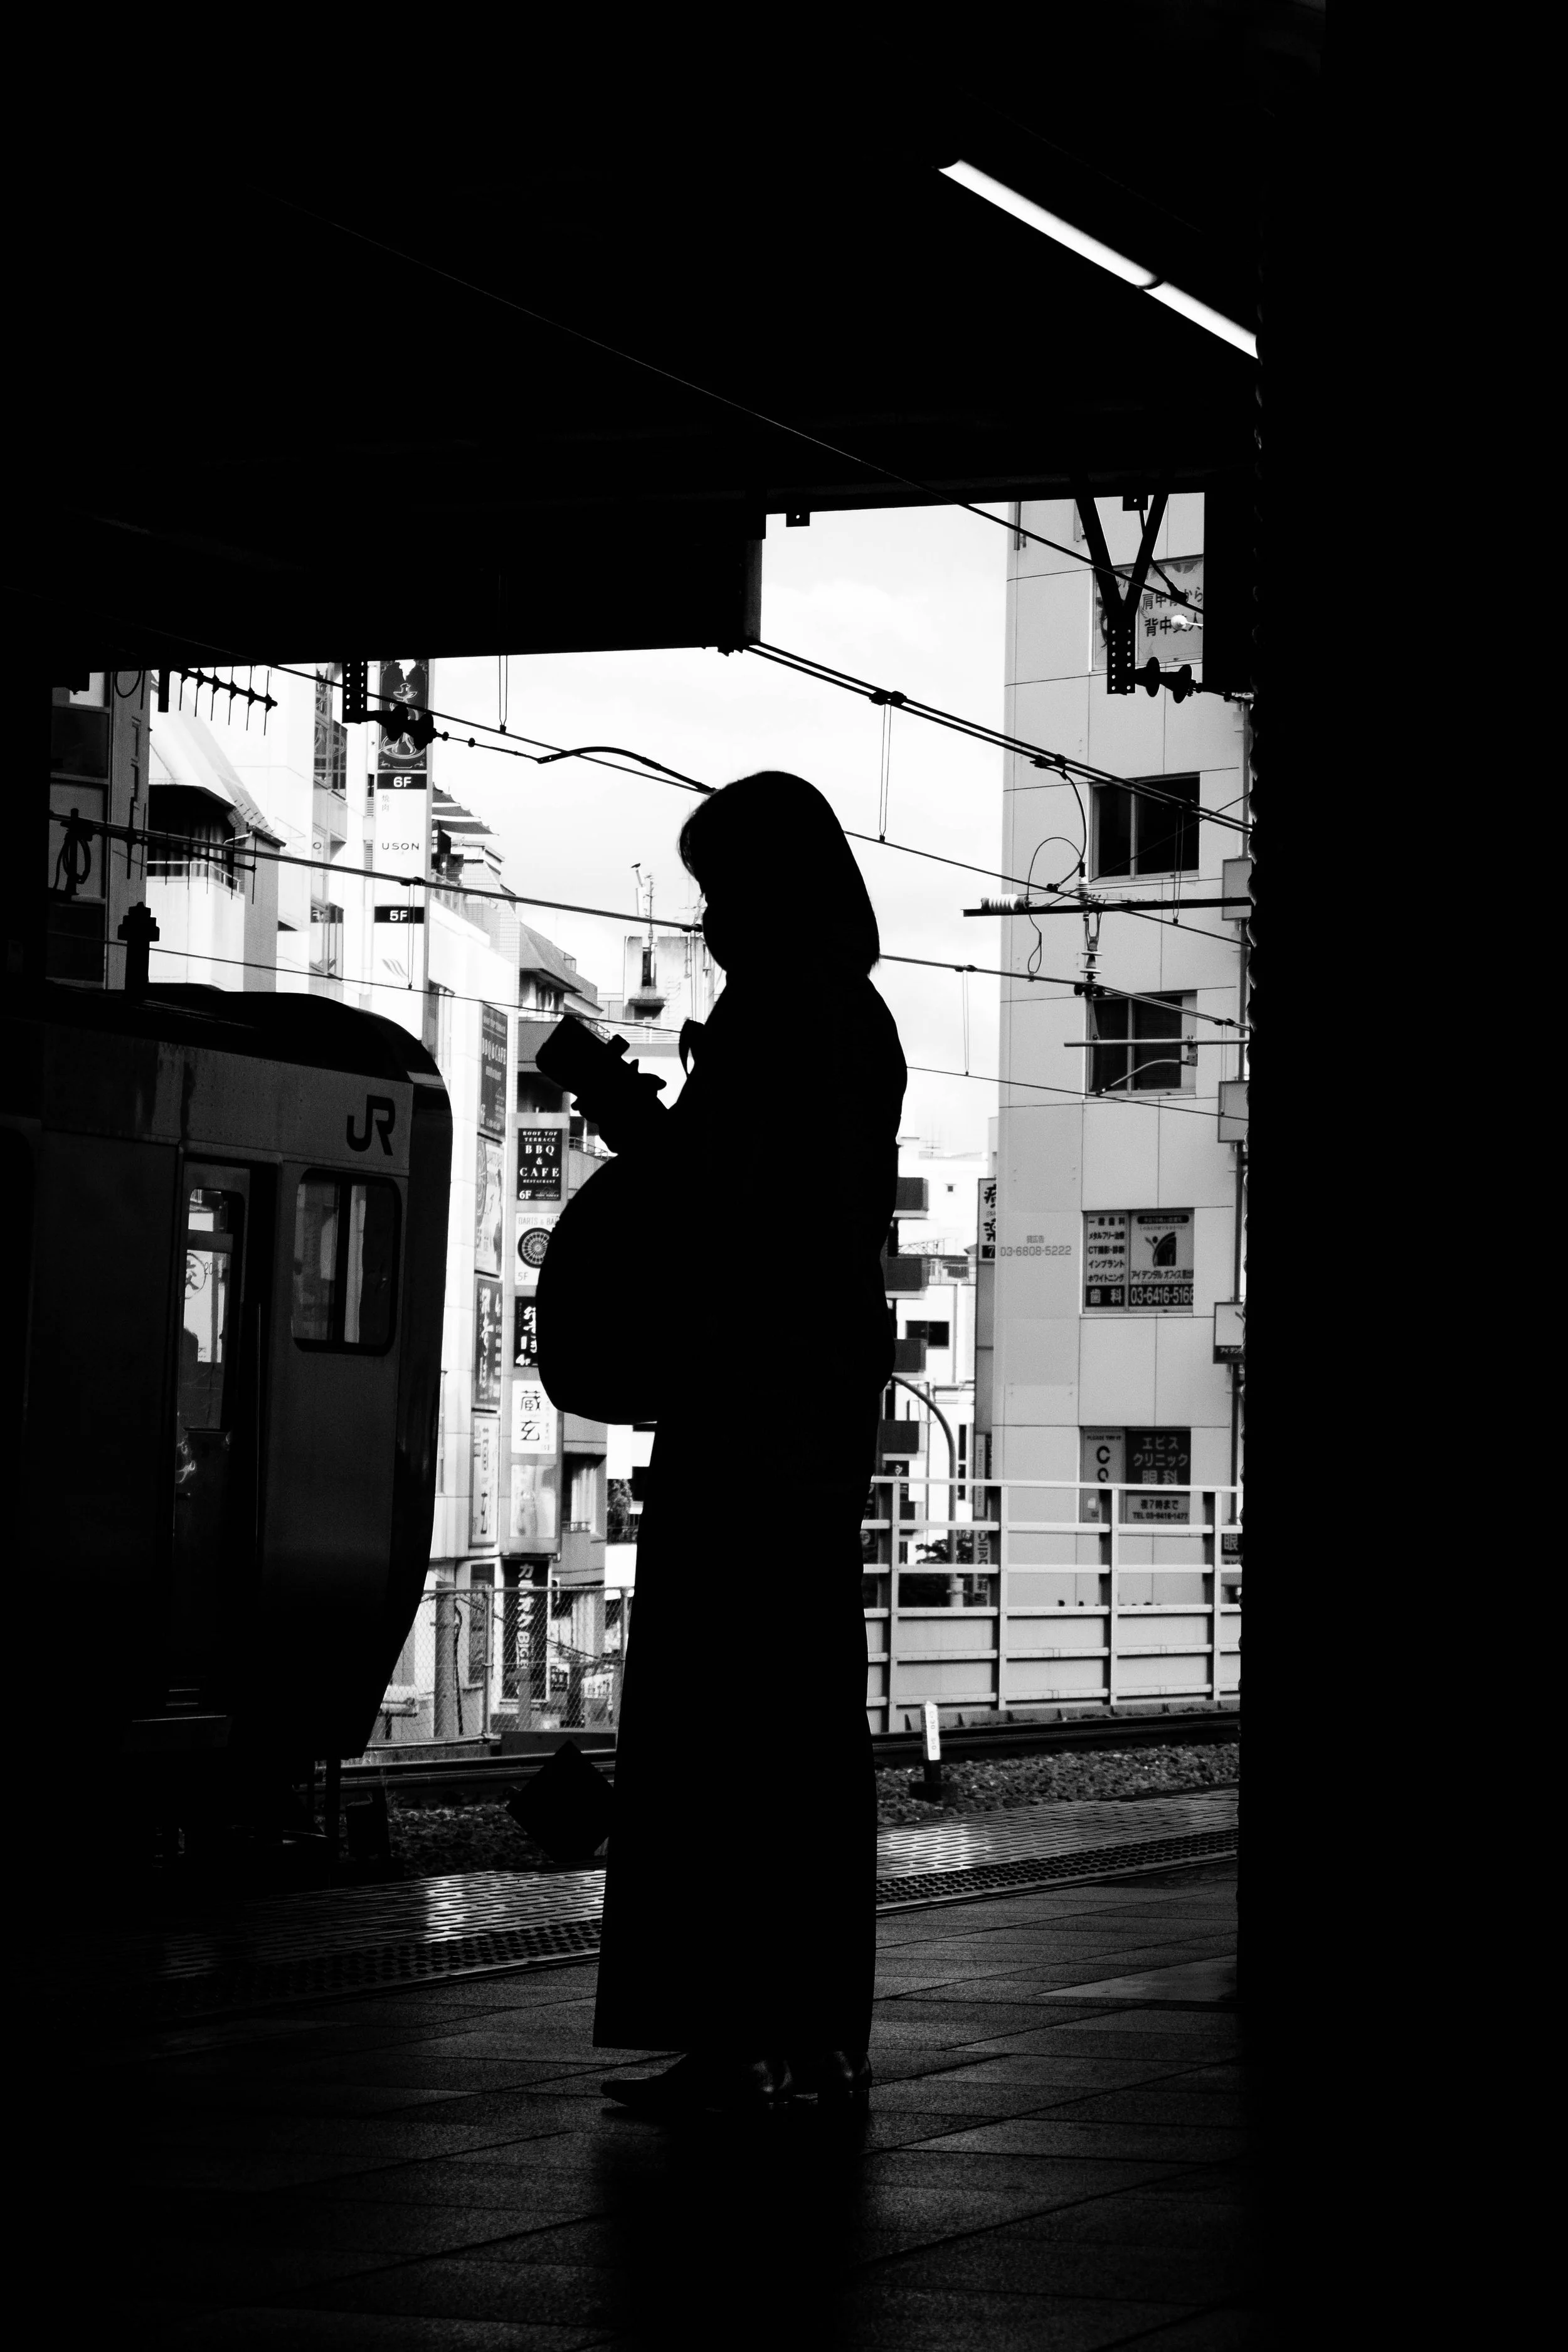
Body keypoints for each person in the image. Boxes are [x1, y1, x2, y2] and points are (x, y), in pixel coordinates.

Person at [541, 772, 905, 2115]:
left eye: (716, 888)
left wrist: (605, 1099)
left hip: (739, 1402)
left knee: (710, 1726)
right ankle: (817, 2033)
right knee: (805, 1733)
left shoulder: (770, 1014)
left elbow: (711, 1201)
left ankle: (732, 2035)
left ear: (763, 885)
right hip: (817, 1413)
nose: (705, 917)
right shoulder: (859, 1017)